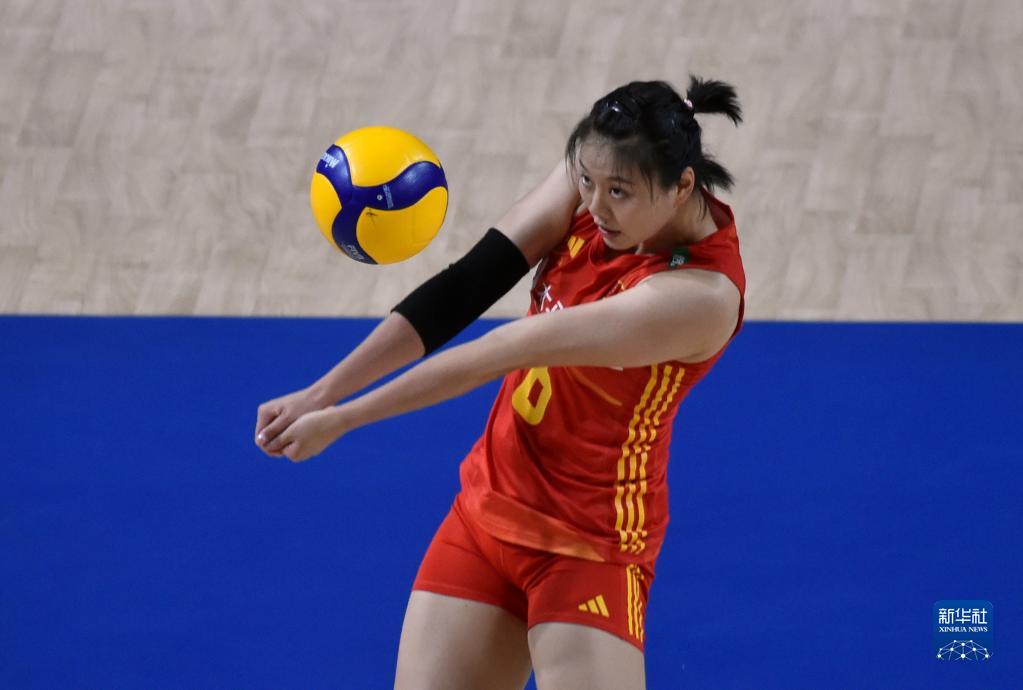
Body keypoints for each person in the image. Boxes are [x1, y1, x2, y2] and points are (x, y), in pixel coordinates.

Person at [255, 76, 745, 690]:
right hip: (488, 511)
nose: (595, 206)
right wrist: (321, 391)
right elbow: (468, 285)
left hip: (590, 544)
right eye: (586, 182)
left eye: (618, 192)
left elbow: (500, 351)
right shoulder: (604, 173)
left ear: (682, 187)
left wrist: (344, 419)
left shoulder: (700, 297)